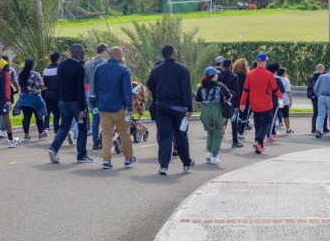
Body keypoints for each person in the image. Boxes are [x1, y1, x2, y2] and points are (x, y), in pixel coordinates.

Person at [147, 44, 195, 175]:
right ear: (173, 53)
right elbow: (186, 90)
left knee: (164, 137)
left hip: (162, 106)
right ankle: (186, 163)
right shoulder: (182, 69)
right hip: (178, 108)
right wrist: (189, 107)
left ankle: (163, 166)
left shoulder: (156, 70)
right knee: (181, 136)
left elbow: (150, 84)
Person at [48, 44, 92, 163]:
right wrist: (82, 108)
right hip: (76, 103)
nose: (83, 54)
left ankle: (53, 148)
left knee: (64, 126)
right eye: (82, 52)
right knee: (82, 128)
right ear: (76, 52)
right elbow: (80, 89)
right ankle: (82, 155)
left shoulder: (61, 65)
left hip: (63, 101)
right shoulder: (79, 68)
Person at [93, 46, 137, 169]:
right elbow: (127, 91)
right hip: (119, 108)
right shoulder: (123, 70)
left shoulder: (99, 68)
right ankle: (128, 158)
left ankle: (106, 160)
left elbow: (95, 89)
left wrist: (98, 103)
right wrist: (129, 107)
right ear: (118, 55)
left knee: (107, 133)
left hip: (103, 107)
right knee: (124, 133)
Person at [239, 52, 283, 154]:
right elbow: (275, 88)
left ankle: (259, 146)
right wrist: (281, 96)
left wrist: (242, 103)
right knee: (266, 123)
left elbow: (245, 90)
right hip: (266, 104)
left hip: (254, 105)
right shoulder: (268, 74)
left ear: (257, 61)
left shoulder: (250, 74)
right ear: (264, 61)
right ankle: (258, 142)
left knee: (258, 125)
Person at [196, 67, 232, 165]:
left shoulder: (201, 87)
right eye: (216, 74)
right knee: (218, 133)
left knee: (210, 132)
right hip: (217, 110)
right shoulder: (220, 85)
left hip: (205, 110)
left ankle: (208, 152)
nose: (217, 75)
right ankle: (214, 156)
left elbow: (198, 100)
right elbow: (228, 97)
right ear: (214, 76)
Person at [17, 59, 47, 140]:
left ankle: (26, 135)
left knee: (26, 117)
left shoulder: (21, 74)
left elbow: (20, 85)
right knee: (39, 116)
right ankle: (41, 134)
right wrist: (44, 85)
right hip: (35, 99)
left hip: (24, 99)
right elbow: (39, 85)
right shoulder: (35, 74)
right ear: (32, 65)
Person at [85, 43, 108, 150]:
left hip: (92, 96)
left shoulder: (88, 64)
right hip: (103, 95)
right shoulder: (106, 64)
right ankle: (103, 138)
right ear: (104, 51)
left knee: (95, 117)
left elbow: (85, 80)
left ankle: (95, 141)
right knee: (107, 117)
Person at [217, 58, 241, 148]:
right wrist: (237, 105)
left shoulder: (218, 75)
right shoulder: (234, 76)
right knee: (234, 120)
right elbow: (236, 91)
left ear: (222, 65)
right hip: (232, 102)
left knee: (219, 121)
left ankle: (216, 141)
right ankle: (235, 141)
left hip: (220, 101)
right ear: (231, 65)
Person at [0, 55, 20, 138]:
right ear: (7, 61)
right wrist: (17, 89)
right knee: (6, 110)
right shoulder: (10, 69)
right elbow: (14, 81)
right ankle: (2, 129)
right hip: (6, 90)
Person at [306, 64, 329, 133]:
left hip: (313, 96)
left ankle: (313, 128)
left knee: (315, 112)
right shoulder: (322, 77)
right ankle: (324, 127)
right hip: (320, 96)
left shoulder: (311, 77)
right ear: (322, 69)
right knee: (324, 113)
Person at [42, 52, 61, 133]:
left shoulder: (46, 69)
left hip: (48, 93)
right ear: (58, 59)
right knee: (57, 114)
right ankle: (56, 131)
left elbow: (45, 83)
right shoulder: (60, 68)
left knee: (48, 111)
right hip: (57, 93)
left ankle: (44, 128)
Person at [232, 58, 250, 138]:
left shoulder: (233, 76)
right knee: (244, 115)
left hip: (235, 97)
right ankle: (240, 131)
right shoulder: (247, 76)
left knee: (235, 114)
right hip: (245, 97)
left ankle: (235, 130)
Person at [277, 68, 293, 134]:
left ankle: (272, 127)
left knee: (276, 113)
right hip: (284, 99)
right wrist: (290, 100)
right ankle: (288, 128)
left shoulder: (275, 78)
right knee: (286, 114)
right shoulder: (286, 80)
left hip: (277, 99)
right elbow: (288, 91)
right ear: (283, 73)